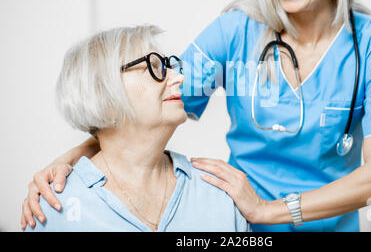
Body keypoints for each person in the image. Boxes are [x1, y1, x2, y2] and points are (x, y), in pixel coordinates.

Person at [22, 0, 371, 232]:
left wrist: (270, 210)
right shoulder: (236, 32)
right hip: (236, 228)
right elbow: (138, 108)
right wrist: (67, 162)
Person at [24, 25, 249, 232]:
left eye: (168, 66)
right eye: (154, 67)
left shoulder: (221, 195)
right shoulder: (52, 209)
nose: (180, 78)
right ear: (104, 92)